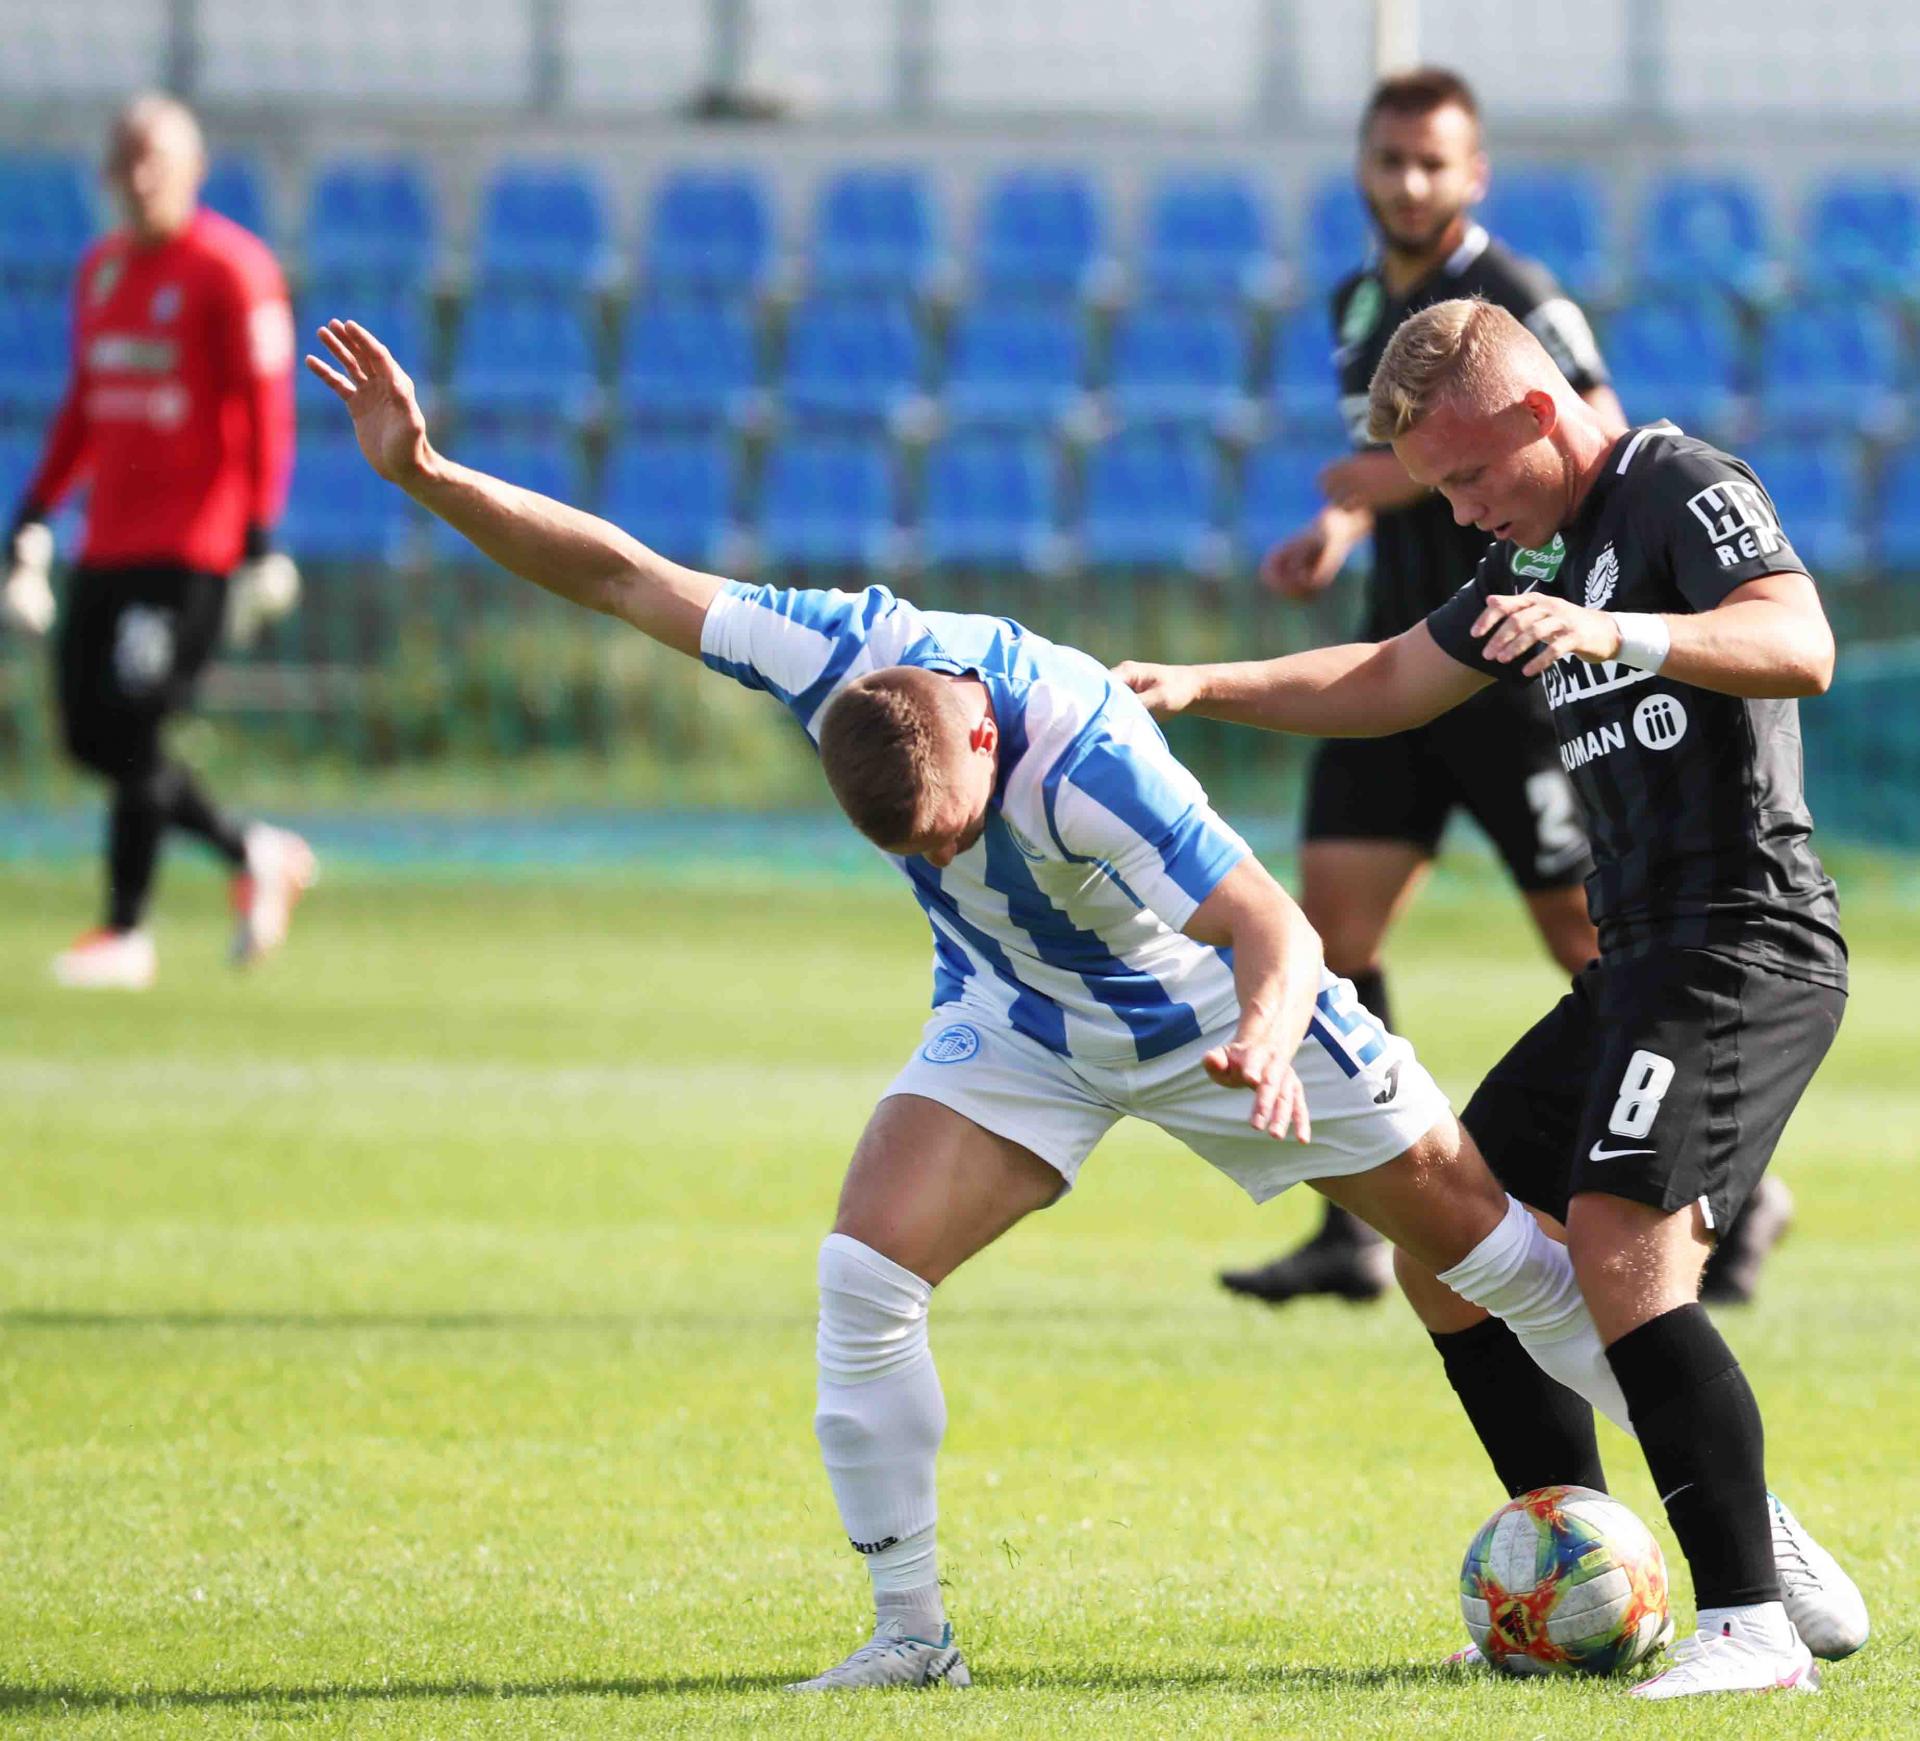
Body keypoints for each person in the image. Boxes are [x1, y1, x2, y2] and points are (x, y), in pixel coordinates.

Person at [302, 313, 1757, 1695]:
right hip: (1024, 1014)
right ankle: (908, 1639)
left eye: (953, 834)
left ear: (988, 742)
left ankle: (1762, 1567)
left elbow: (1271, 924)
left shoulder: (1086, 746)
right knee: (864, 1279)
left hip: (1220, 1011)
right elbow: (623, 576)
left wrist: (1263, 1039)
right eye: (920, 854)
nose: (944, 856)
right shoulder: (829, 651)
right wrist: (427, 474)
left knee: (1497, 1260)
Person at [1118, 298, 1869, 1698]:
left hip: (1742, 943)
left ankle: (1752, 1628)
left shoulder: (1675, 485)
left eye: (1468, 477)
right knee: (1443, 1233)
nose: (1462, 514)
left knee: (1618, 1242)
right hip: (1634, 959)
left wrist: (1613, 631)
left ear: (1537, 412)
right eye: (1441, 491)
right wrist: (1198, 684)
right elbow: (1391, 676)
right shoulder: (1530, 549)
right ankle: (1582, 1577)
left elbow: (1798, 640)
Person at [1226, 68, 1626, 1310]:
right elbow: (1393, 461)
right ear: (1362, 163)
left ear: (1474, 173)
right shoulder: (1357, 303)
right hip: (1392, 666)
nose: (1408, 182)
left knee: (1592, 944)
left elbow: (1594, 429)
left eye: (1432, 162)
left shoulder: (1517, 297)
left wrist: (1385, 484)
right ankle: (1360, 1221)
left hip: (1510, 674)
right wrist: (1339, 529)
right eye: (1390, 159)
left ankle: (1720, 1179)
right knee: (1332, 943)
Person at [1, 94, 313, 990]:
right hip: (107, 542)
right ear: (109, 174)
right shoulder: (100, 271)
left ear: (193, 171)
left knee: (134, 724)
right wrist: (34, 511)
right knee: (87, 734)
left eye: (157, 161)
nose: (141, 179)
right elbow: (86, 404)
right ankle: (255, 852)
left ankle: (124, 930)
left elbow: (267, 410)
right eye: (128, 161)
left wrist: (260, 536)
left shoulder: (234, 270)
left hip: (192, 550)